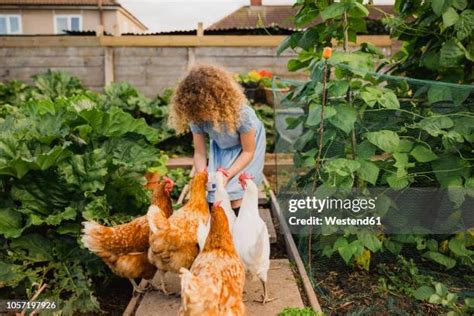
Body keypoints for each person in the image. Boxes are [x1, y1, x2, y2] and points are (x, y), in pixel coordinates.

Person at [169, 64, 266, 212]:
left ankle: (241, 220)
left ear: (216, 102)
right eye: (196, 111)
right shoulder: (196, 116)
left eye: (204, 109)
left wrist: (227, 174)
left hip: (248, 148)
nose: (201, 116)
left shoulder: (242, 115)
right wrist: (202, 175)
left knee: (236, 192)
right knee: (215, 192)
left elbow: (248, 152)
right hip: (222, 146)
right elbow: (200, 153)